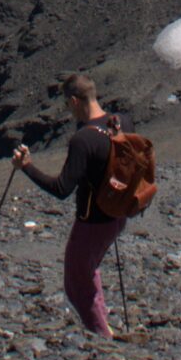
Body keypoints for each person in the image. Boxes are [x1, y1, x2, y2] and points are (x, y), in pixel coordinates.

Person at [12, 73, 125, 338]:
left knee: (76, 283)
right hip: (118, 213)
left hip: (93, 220)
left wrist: (26, 167)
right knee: (88, 269)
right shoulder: (121, 122)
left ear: (74, 101)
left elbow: (62, 189)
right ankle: (103, 324)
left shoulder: (83, 139)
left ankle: (103, 338)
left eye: (66, 104)